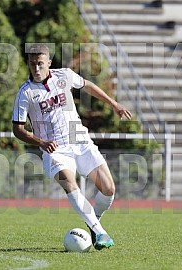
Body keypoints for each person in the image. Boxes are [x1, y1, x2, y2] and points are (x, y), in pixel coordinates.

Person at [12, 44, 132, 250]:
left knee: (109, 189)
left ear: (49, 63)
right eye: (32, 64)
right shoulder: (26, 93)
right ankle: (100, 232)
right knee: (69, 182)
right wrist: (41, 142)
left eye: (40, 63)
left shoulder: (64, 75)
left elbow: (87, 85)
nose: (36, 68)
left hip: (80, 139)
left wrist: (114, 104)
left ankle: (94, 221)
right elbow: (17, 129)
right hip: (54, 148)